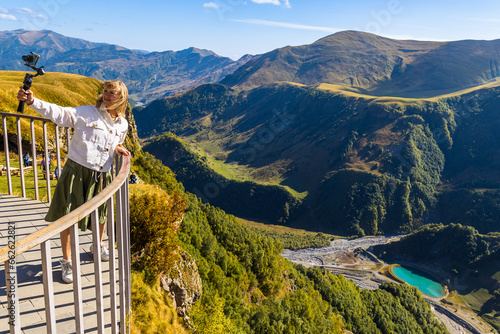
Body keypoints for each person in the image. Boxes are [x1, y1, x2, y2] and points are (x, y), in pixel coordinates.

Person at [17, 80, 131, 284]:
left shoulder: (123, 124)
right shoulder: (87, 113)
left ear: (121, 97)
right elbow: (60, 113)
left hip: (102, 174)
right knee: (67, 217)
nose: (106, 95)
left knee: (101, 215)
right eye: (105, 91)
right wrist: (32, 101)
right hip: (76, 172)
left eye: (112, 93)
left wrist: (118, 148)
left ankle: (97, 246)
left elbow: (114, 141)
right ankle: (66, 261)